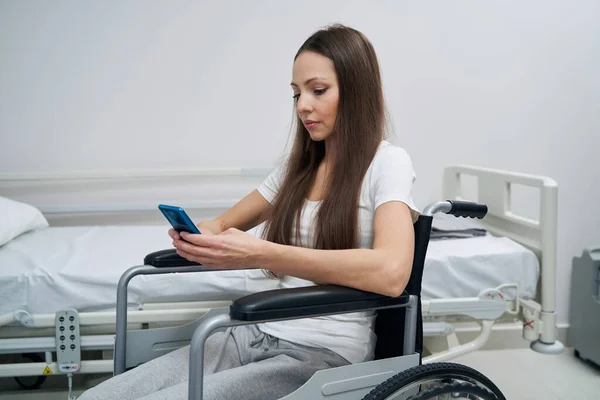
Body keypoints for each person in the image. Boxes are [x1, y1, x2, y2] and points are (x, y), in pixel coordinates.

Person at [78, 23, 420, 400]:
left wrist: (260, 252)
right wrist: (198, 236)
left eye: (318, 90)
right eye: (296, 94)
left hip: (320, 355)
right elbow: (223, 224)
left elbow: (391, 273)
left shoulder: (387, 164)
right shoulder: (300, 168)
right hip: (250, 334)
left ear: (356, 91)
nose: (303, 105)